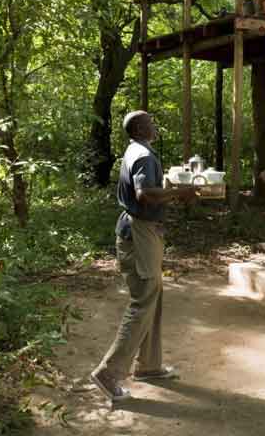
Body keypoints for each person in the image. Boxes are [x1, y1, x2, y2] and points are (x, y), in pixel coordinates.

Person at [90, 110, 197, 403]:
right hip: (139, 235)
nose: (155, 124)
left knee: (153, 297)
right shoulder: (144, 155)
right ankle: (108, 373)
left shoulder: (136, 151)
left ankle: (149, 366)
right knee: (143, 301)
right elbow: (144, 194)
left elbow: (147, 190)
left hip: (141, 232)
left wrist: (170, 187)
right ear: (139, 127)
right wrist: (179, 193)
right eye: (150, 121)